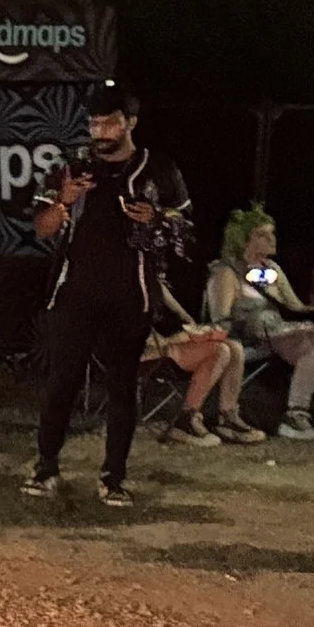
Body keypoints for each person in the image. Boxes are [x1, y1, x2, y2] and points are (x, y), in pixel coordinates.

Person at [25, 83, 192, 505]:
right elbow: (42, 229)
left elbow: (186, 229)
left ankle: (113, 476)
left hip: (130, 294)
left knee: (122, 386)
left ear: (130, 123)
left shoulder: (159, 170)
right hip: (75, 292)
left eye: (109, 122)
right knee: (61, 381)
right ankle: (46, 468)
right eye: (94, 122)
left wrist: (156, 219)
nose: (100, 131)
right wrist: (64, 202)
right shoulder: (71, 168)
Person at [205, 206, 314, 441]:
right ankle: (295, 416)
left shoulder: (271, 270)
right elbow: (220, 320)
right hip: (249, 337)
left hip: (277, 331)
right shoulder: (226, 272)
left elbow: (296, 307)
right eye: (262, 234)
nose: (271, 239)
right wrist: (266, 325)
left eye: (272, 233)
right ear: (243, 240)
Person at [146, 277, 262, 446]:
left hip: (166, 341)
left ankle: (227, 416)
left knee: (234, 348)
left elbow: (178, 313)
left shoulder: (151, 279)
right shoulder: (126, 281)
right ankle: (186, 417)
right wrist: (173, 338)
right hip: (144, 349)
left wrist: (191, 327)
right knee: (219, 351)